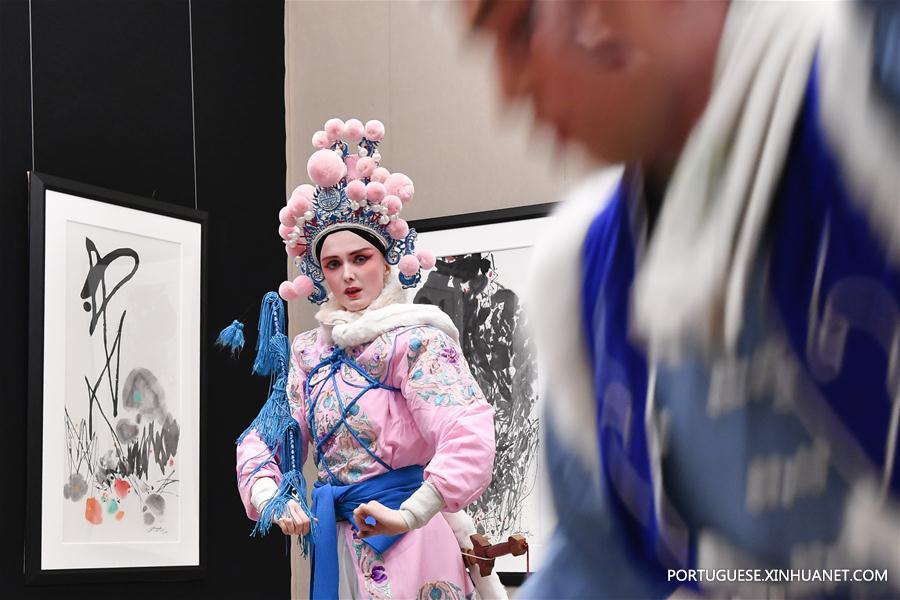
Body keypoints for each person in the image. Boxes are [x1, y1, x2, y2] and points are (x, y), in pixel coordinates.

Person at [465, 1, 900, 598]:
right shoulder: (590, 293)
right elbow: (598, 567)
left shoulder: (870, 76)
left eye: (518, 30)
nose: (509, 92)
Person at [233, 118, 502, 599]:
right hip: (340, 541)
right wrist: (270, 495)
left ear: (385, 260)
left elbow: (468, 431)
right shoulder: (310, 353)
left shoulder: (415, 341)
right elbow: (266, 437)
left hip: (411, 536)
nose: (348, 275)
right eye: (333, 264)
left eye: (361, 258)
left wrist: (411, 512)